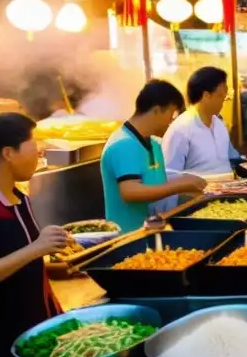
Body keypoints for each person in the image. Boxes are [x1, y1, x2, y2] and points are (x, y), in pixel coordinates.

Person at [0, 113, 74, 357]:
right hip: (1, 348)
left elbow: (23, 263)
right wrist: (36, 248)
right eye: (34, 143)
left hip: (37, 335)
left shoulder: (19, 197)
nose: (40, 152)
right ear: (8, 153)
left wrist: (64, 262)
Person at [101, 80, 206, 233]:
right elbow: (130, 192)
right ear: (157, 110)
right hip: (128, 236)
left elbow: (157, 185)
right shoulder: (124, 144)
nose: (172, 121)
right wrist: (181, 184)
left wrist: (189, 186)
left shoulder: (154, 144)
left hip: (153, 231)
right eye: (172, 114)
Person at [162, 67, 239, 177]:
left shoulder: (219, 124)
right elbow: (169, 175)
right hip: (199, 193)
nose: (223, 101)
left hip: (228, 189)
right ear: (206, 96)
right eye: (221, 96)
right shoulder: (181, 129)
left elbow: (233, 158)